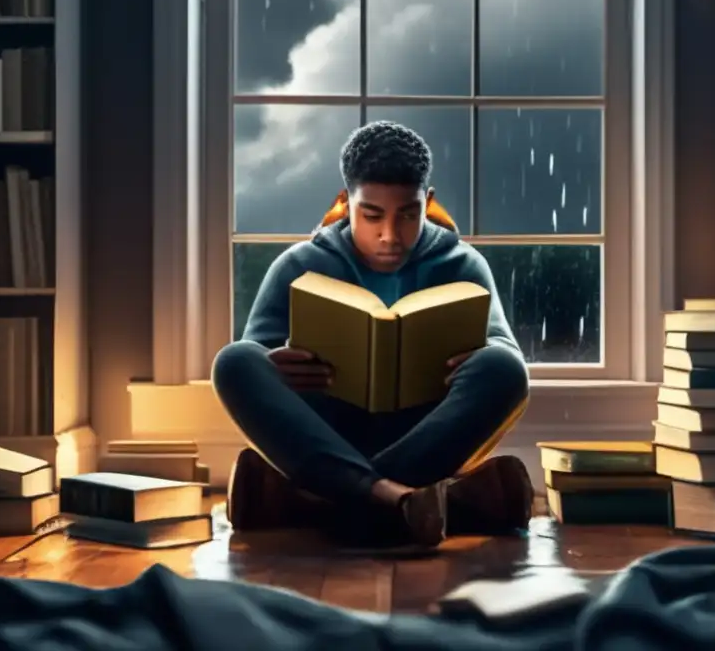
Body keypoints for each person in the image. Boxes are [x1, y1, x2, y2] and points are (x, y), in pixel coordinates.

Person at [211, 121, 533, 547]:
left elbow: (501, 357)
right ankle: (407, 501)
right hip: (327, 432)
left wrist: (481, 356)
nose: (390, 236)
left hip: (424, 435)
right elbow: (257, 359)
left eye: (408, 215)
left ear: (428, 202)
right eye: (372, 215)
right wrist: (275, 364)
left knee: (506, 368)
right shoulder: (297, 265)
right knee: (234, 361)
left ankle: (342, 500)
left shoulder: (463, 265)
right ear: (345, 203)